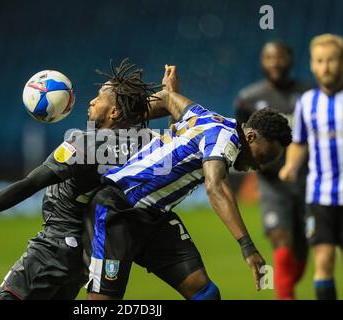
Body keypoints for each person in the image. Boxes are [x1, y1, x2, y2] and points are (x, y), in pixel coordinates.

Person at [0, 59, 185, 300]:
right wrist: (170, 97)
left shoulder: (83, 146)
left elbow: (30, 184)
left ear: (115, 111)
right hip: (82, 258)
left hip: (51, 249)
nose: (92, 102)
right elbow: (167, 135)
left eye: (99, 99)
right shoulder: (143, 144)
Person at [84, 69, 293, 300]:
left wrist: (166, 94)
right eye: (262, 157)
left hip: (154, 217)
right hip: (120, 208)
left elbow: (166, 99)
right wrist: (247, 246)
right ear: (251, 137)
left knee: (205, 294)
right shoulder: (226, 139)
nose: (258, 166)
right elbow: (216, 187)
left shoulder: (206, 117)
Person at [234, 41, 310, 299]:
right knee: (280, 239)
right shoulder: (248, 98)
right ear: (262, 61)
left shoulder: (309, 94)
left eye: (280, 57)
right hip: (271, 185)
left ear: (290, 59)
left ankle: (288, 284)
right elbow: (241, 139)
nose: (275, 62)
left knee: (301, 250)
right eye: (269, 57)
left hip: (307, 181)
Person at [279, 34, 343, 300]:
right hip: (320, 196)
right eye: (320, 61)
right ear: (312, 65)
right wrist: (290, 165)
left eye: (331, 60)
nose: (325, 66)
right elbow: (299, 142)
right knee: (324, 262)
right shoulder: (306, 102)